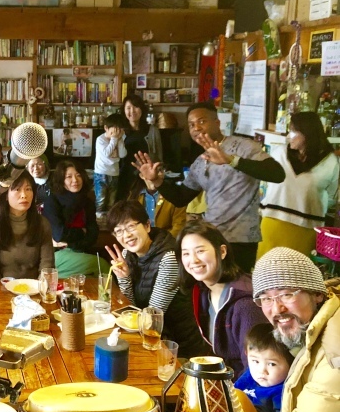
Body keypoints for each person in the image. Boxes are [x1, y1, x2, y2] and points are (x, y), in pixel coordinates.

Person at [134, 102, 285, 273]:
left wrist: (231, 160)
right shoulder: (199, 162)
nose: (196, 128)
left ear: (217, 123)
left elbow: (277, 173)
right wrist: (157, 181)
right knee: (208, 286)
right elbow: (181, 198)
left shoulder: (242, 147)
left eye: (201, 121)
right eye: (191, 125)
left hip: (240, 239)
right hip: (210, 237)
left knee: (235, 286)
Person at [248, 247, 340, 412]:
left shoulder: (334, 349)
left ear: (317, 294)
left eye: (286, 294)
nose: (277, 309)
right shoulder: (305, 335)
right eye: (266, 299)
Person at [106, 200, 208, 358]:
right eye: (119, 231)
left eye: (131, 227)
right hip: (151, 337)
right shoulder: (127, 254)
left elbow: (151, 318)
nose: (126, 235)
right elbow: (131, 310)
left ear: (147, 225)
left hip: (176, 345)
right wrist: (124, 278)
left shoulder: (169, 258)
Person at [177, 221, 267, 378]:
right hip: (221, 378)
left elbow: (255, 371)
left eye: (200, 251)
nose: (193, 260)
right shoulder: (204, 291)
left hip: (242, 386)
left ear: (222, 251)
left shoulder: (245, 305)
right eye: (186, 254)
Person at [259, 112, 339, 257]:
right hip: (273, 222)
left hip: (306, 229)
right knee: (266, 268)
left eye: (293, 131)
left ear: (307, 133)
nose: (288, 136)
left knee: (297, 269)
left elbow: (332, 196)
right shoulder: (279, 154)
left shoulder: (330, 162)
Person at [0, 172, 55, 280]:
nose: (24, 195)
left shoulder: (42, 223)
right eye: (17, 189)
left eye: (28, 189)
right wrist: (1, 287)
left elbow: (47, 265)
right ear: (5, 195)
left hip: (34, 286)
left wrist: (41, 286)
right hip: (3, 286)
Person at [42, 161, 103, 278]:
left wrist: (71, 242)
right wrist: (82, 232)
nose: (75, 180)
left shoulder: (88, 203)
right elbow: (59, 234)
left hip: (80, 251)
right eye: (69, 177)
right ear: (61, 180)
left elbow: (93, 236)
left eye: (78, 175)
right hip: (56, 254)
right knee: (102, 266)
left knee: (90, 278)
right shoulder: (52, 201)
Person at [235, 323, 293, 412]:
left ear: (291, 363)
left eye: (271, 364)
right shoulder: (249, 376)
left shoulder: (282, 394)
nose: (261, 370)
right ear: (246, 354)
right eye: (255, 361)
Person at [117, 94, 163, 201]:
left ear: (142, 109)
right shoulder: (119, 131)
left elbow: (159, 155)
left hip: (146, 177)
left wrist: (159, 174)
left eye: (136, 107)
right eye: (128, 108)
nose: (132, 111)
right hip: (124, 177)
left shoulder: (152, 130)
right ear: (124, 111)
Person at [94, 113, 128, 218]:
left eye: (120, 129)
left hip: (114, 174)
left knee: (112, 200)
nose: (117, 132)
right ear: (106, 128)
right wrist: (114, 139)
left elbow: (123, 154)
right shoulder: (100, 139)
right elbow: (106, 153)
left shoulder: (119, 139)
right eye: (115, 129)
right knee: (101, 199)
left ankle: (109, 218)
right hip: (101, 173)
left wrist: (120, 141)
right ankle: (99, 218)